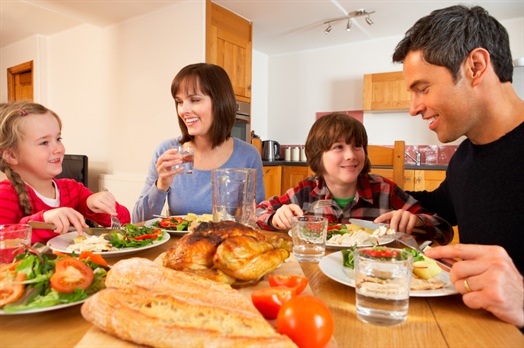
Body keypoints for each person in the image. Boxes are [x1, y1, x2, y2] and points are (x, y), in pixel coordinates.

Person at [386, 5, 523, 328]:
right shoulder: (464, 159)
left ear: (476, 66)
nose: (414, 108)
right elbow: (440, 205)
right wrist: (360, 188)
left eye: (423, 88)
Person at [256, 113, 453, 244]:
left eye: (357, 146)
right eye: (338, 147)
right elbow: (256, 212)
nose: (351, 155)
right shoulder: (306, 192)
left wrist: (417, 221)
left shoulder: (384, 190)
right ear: (317, 156)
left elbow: (443, 229)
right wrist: (275, 218)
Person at [133, 63, 265, 222]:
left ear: (220, 102)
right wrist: (161, 185)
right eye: (179, 102)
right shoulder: (167, 151)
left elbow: (258, 218)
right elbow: (137, 221)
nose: (183, 110)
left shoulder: (248, 155)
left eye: (194, 100)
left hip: (227, 245)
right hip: (181, 246)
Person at [0, 101, 130, 244]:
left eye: (58, 139)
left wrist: (97, 205)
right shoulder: (5, 195)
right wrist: (42, 220)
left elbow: (125, 221)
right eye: (44, 142)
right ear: (11, 155)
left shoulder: (73, 189)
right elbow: (3, 241)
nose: (59, 149)